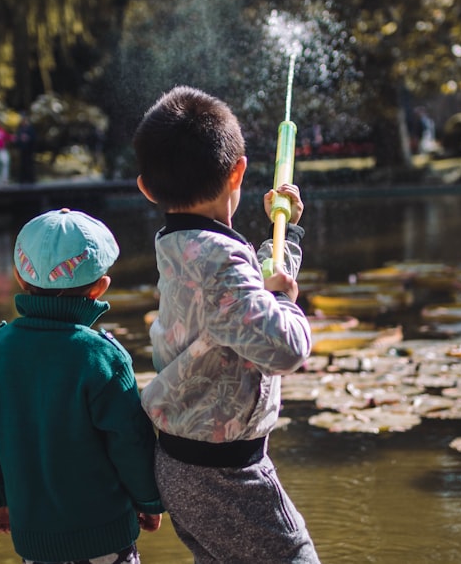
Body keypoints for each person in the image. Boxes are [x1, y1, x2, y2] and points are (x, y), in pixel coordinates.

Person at [132, 85, 320, 563]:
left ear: (147, 187)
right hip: (227, 475)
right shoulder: (219, 260)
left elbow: (241, 294)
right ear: (239, 170)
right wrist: (285, 300)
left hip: (183, 463)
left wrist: (288, 234)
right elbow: (285, 348)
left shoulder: (182, 245)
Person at [0, 208, 164, 564]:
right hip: (104, 536)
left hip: (34, 539)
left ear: (19, 278)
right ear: (101, 286)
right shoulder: (101, 357)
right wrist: (148, 500)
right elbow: (130, 442)